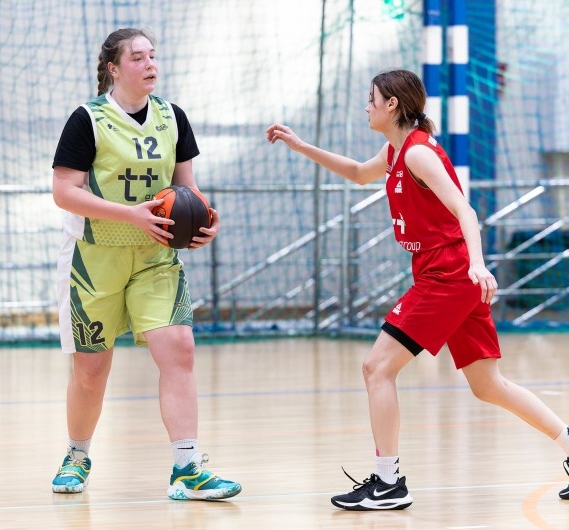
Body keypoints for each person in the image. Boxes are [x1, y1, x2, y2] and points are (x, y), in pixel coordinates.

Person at [266, 68, 569, 511]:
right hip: (444, 273)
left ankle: (389, 482)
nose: (366, 106)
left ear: (392, 104)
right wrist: (301, 145)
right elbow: (357, 173)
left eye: (371, 99)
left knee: (376, 368)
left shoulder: (419, 154)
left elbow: (466, 211)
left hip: (449, 274)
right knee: (488, 385)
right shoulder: (396, 149)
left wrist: (478, 265)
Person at [50, 27, 241, 501]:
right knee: (91, 371)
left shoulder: (173, 117)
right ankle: (76, 454)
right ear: (113, 68)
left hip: (156, 256)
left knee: (179, 349)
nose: (150, 64)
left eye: (152, 55)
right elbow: (64, 192)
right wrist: (130, 214)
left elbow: (186, 187)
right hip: (94, 258)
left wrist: (204, 217)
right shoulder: (88, 120)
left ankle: (187, 467)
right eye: (137, 57)